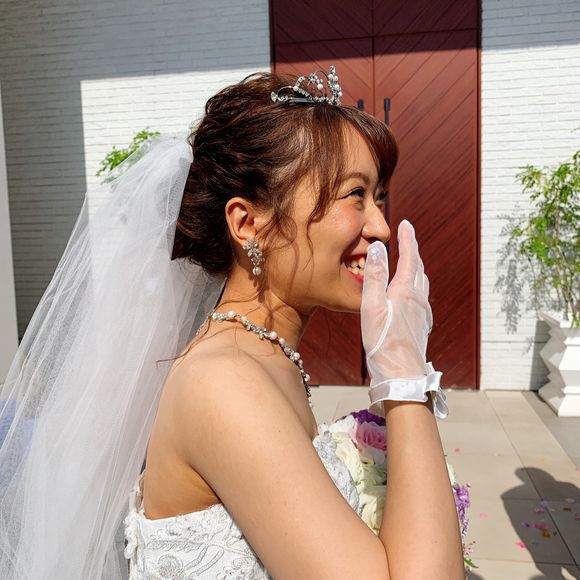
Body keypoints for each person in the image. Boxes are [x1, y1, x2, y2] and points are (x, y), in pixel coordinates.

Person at [0, 67, 463, 579]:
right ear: (248, 224)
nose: (379, 227)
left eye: (378, 197)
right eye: (355, 195)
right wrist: (403, 373)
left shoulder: (264, 355)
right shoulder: (224, 380)